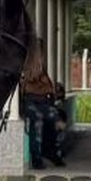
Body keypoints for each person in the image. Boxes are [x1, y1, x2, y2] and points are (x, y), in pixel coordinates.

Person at [21, 39, 66, 170]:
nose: (40, 53)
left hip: (45, 102)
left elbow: (47, 83)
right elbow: (30, 79)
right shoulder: (26, 62)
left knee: (58, 121)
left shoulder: (43, 65)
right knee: (37, 121)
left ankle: (53, 152)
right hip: (30, 101)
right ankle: (37, 158)